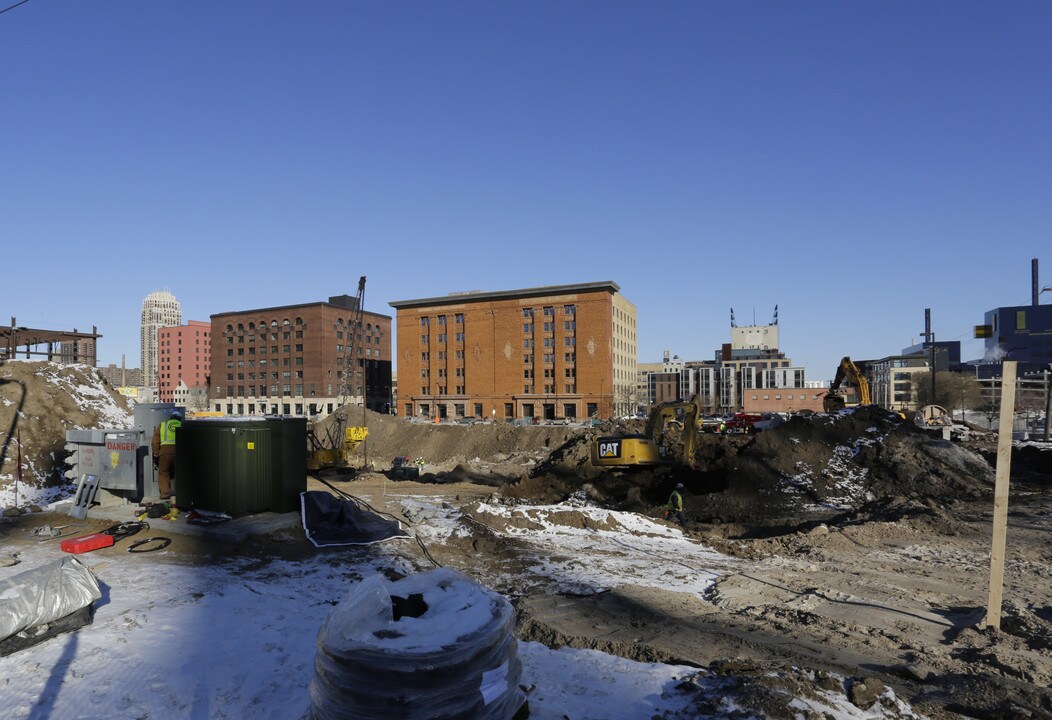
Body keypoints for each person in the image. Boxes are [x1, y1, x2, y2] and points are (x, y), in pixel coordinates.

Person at [151, 410, 182, 500]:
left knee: (163, 473)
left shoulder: (163, 425)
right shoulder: (182, 425)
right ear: (179, 418)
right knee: (180, 473)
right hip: (179, 452)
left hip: (165, 452)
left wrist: (156, 452)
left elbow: (155, 440)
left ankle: (165, 493)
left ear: (171, 417)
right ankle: (180, 493)